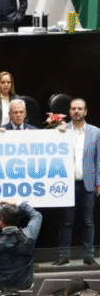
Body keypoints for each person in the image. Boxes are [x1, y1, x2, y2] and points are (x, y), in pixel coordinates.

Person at [54, 98, 100, 265]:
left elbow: (99, 160)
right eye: (73, 108)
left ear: (85, 111)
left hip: (87, 183)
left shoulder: (96, 132)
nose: (76, 111)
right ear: (69, 111)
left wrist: (98, 182)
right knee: (66, 222)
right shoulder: (62, 130)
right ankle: (63, 256)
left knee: (88, 222)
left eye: (80, 108)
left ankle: (89, 256)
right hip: (67, 184)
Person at [0, 201, 42, 290]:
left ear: (1, 220)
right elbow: (37, 216)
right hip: (24, 287)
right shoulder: (29, 235)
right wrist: (18, 205)